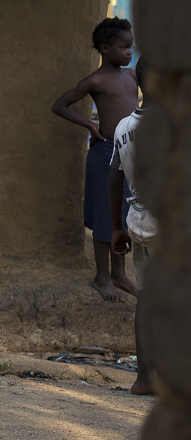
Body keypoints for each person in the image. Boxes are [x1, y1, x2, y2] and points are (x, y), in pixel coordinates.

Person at [51, 17, 140, 301]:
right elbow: (60, 105)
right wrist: (90, 125)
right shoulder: (96, 80)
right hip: (105, 154)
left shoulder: (132, 76)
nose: (129, 52)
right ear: (105, 48)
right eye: (123, 47)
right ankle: (102, 276)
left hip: (129, 155)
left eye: (130, 47)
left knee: (122, 215)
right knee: (105, 215)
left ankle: (119, 274)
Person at [109, 57, 158, 396]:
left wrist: (116, 227)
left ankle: (144, 378)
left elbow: (115, 178)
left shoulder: (124, 127)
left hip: (139, 222)